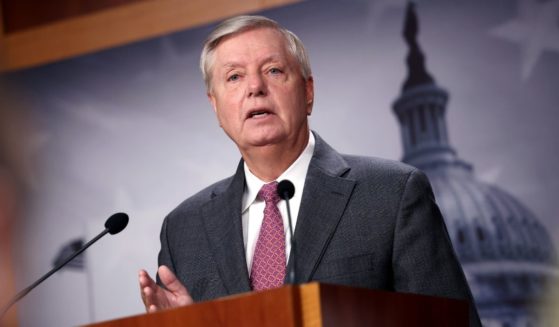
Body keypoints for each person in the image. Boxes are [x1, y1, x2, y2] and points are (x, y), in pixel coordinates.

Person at [138, 15, 481, 326]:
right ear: (215, 107)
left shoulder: (392, 194)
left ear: (308, 92)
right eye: (234, 77)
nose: (254, 87)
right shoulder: (183, 229)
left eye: (273, 70)